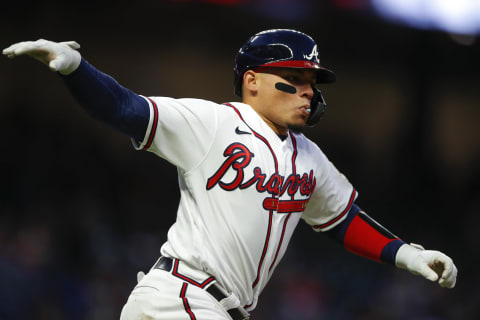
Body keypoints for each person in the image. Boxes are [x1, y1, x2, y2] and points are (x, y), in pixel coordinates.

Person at [3, 29, 457, 320]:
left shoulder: (310, 157)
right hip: (181, 297)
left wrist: (409, 257)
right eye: (292, 79)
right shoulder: (215, 125)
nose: (306, 91)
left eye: (311, 82)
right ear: (252, 80)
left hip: (214, 308)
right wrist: (77, 69)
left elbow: (340, 219)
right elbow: (126, 108)